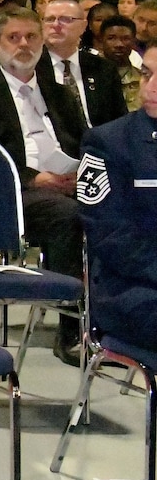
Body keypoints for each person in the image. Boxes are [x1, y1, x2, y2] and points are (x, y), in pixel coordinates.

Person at [0, 5, 87, 364]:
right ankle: (70, 331)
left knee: (121, 206)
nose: (23, 45)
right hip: (11, 195)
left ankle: (115, 322)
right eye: (14, 38)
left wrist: (80, 173)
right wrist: (35, 177)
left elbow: (84, 143)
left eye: (31, 37)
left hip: (68, 184)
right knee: (70, 216)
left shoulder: (59, 95)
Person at [76, 57, 157, 356]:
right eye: (147, 74)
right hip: (130, 289)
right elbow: (111, 236)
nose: (152, 87)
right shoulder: (108, 142)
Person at [42, 0, 126, 132]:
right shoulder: (31, 70)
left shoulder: (103, 68)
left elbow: (120, 120)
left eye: (65, 19)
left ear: (83, 26)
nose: (56, 25)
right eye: (50, 19)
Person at [98, 14, 142, 110]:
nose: (119, 44)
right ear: (101, 40)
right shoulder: (89, 77)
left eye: (125, 39)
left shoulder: (143, 80)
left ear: (134, 41)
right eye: (111, 38)